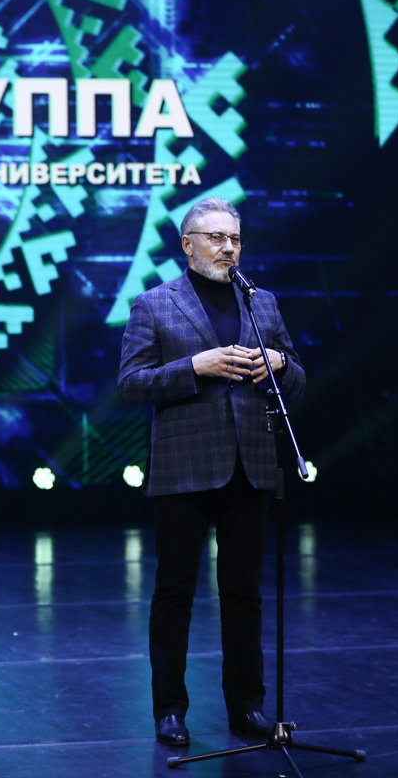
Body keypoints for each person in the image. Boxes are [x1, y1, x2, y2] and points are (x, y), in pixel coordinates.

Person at [116, 198, 305, 747]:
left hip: (252, 464)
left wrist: (281, 364)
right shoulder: (155, 304)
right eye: (216, 238)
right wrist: (193, 367)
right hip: (184, 467)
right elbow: (129, 385)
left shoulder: (261, 302)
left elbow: (297, 379)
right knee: (175, 592)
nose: (228, 248)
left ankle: (247, 707)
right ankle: (169, 710)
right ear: (188, 244)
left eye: (235, 239)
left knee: (244, 593)